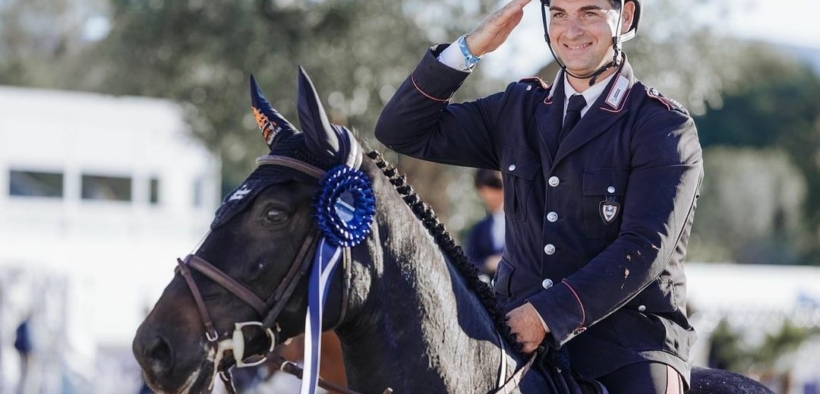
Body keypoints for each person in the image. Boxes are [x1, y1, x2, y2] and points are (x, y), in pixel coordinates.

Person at [375, 0, 702, 392]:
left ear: (626, 16)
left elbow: (645, 247)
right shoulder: (518, 108)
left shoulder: (662, 125)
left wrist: (545, 316)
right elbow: (401, 130)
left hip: (623, 345)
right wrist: (469, 49)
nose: (571, 29)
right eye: (559, 13)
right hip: (510, 337)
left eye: (590, 12)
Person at [465, 169, 505, 280]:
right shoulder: (479, 229)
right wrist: (487, 264)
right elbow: (468, 263)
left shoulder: (526, 226)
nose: (489, 199)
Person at [14, 315, 33, 394]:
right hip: (25, 354)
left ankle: (21, 390)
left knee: (23, 373)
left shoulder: (23, 325)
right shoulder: (26, 326)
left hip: (22, 352)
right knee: (24, 373)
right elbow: (27, 341)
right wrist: (28, 352)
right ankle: (21, 391)